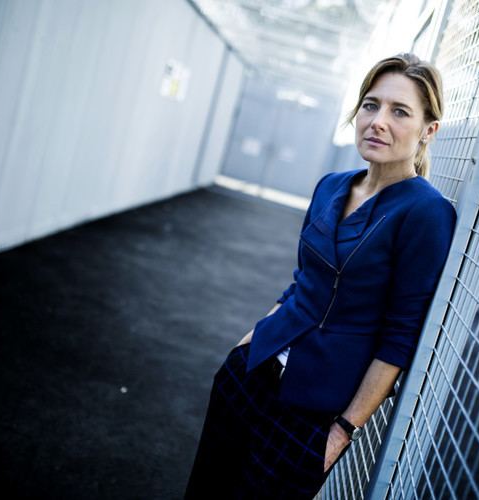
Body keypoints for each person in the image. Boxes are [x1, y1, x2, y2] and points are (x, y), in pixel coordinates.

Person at [184, 53, 457, 499]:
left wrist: (342, 432)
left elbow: (400, 337)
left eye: (399, 111)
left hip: (312, 413)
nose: (378, 121)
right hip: (251, 373)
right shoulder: (331, 184)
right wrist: (250, 340)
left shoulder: (426, 213)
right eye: (371, 105)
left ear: (429, 130)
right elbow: (303, 281)